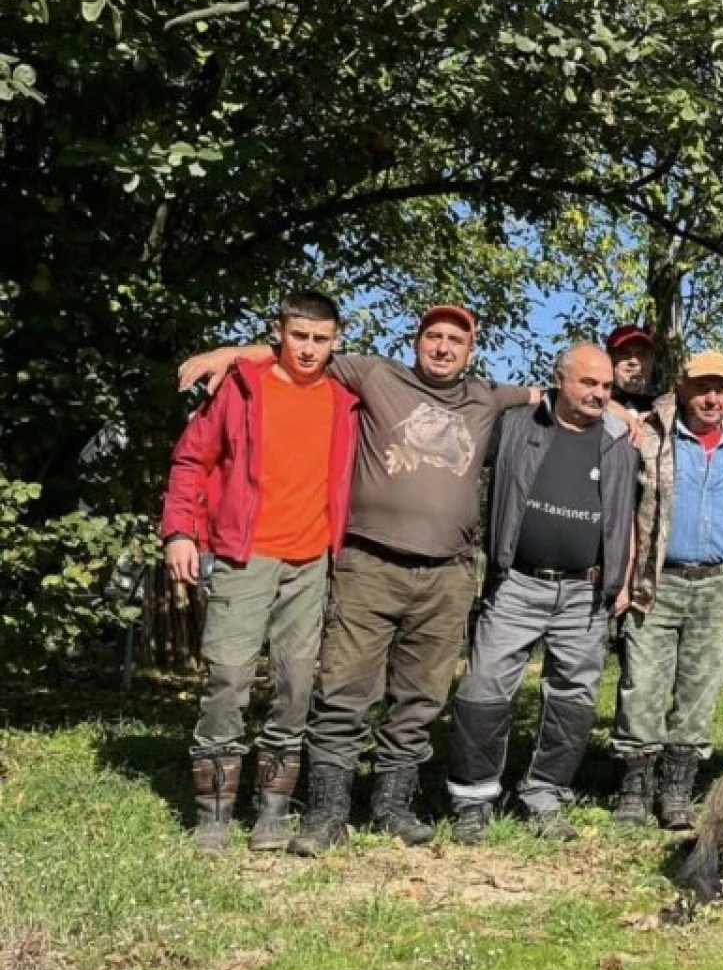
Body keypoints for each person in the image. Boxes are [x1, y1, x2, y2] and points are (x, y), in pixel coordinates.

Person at [177, 304, 544, 857]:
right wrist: (229, 353)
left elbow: (558, 394)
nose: (443, 347)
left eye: (455, 340)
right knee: (328, 688)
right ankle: (317, 811)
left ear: (471, 351)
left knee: (404, 695)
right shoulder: (373, 376)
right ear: (416, 340)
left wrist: (625, 411)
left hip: (440, 571)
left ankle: (387, 805)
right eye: (433, 336)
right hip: (354, 562)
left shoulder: (487, 397)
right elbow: (294, 361)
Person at [160, 290, 359, 852]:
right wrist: (180, 532)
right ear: (279, 332)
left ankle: (271, 810)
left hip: (311, 560)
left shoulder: (346, 400)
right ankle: (213, 815)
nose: (309, 349)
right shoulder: (240, 387)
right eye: (299, 336)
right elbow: (191, 459)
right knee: (227, 677)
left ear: (336, 341)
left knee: (296, 684)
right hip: (241, 554)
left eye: (321, 339)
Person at [445, 344, 638, 844]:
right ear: (558, 380)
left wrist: (622, 574)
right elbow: (468, 398)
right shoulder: (515, 425)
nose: (598, 393)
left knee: (574, 699)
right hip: (518, 582)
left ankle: (545, 795)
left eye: (606, 386)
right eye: (587, 383)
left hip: (585, 591)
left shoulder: (620, 439)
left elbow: (631, 512)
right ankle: (473, 798)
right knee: (484, 686)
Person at [611, 350, 723, 830]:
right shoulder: (651, 433)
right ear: (681, 387)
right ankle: (634, 788)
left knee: (700, 689)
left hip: (717, 584)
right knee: (643, 685)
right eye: (701, 387)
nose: (711, 397)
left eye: (719, 387)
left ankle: (677, 790)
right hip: (658, 581)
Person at [608, 323, 661, 411]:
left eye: (642, 354)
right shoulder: (597, 405)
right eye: (625, 353)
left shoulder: (667, 408)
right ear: (610, 359)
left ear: (651, 362)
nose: (634, 361)